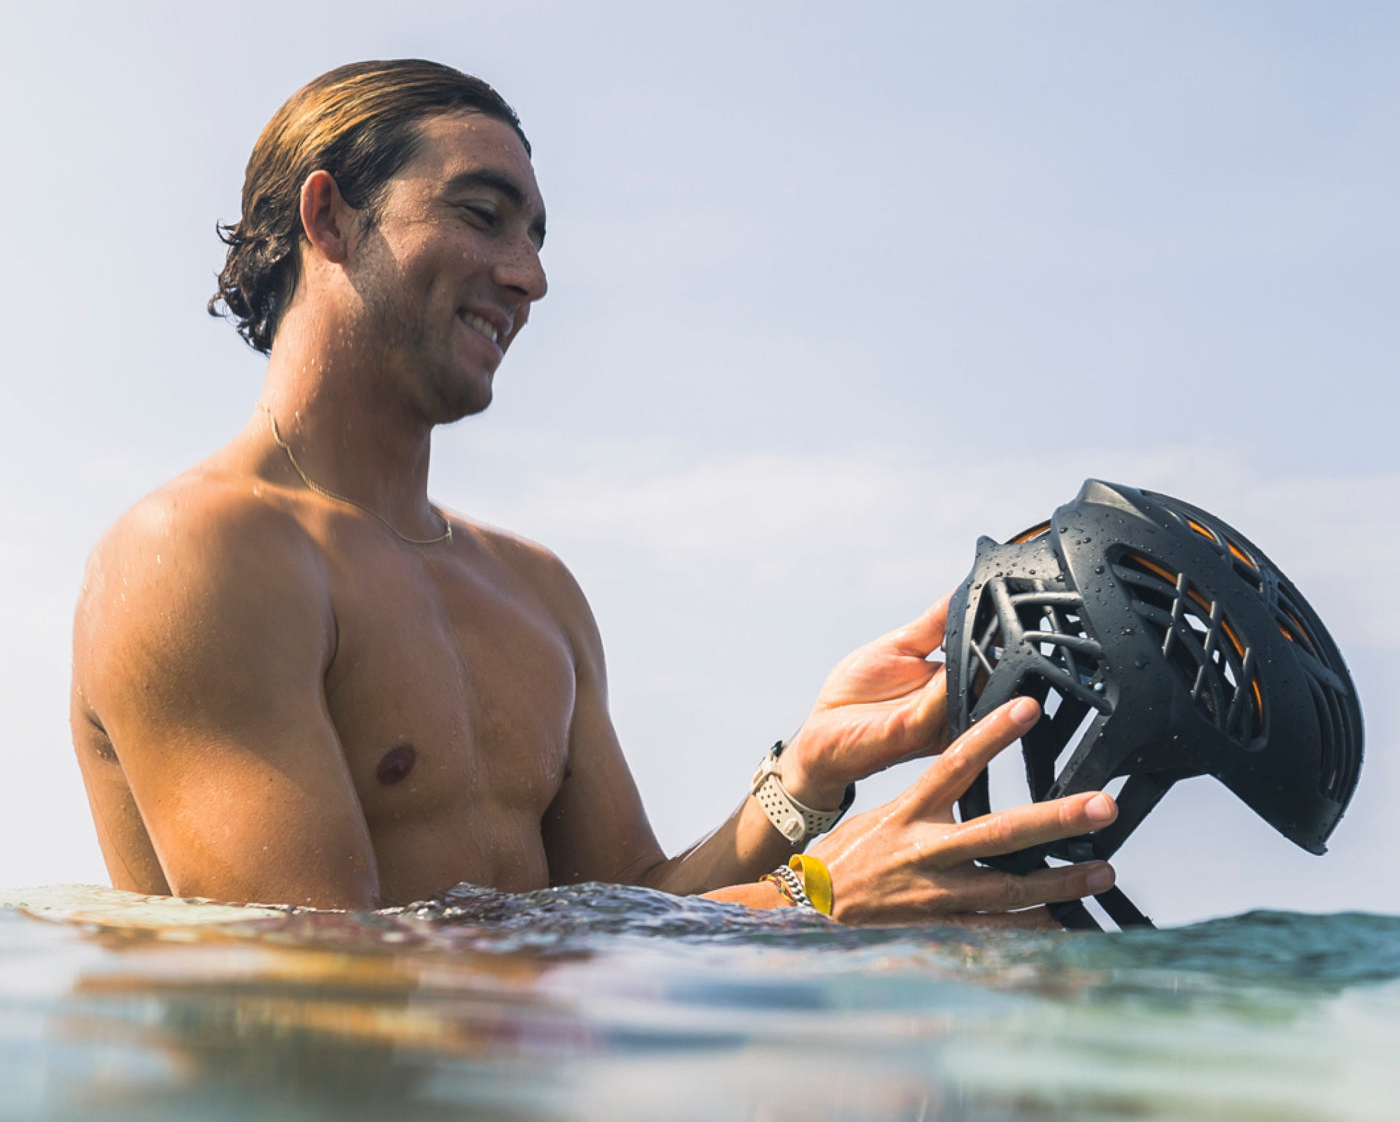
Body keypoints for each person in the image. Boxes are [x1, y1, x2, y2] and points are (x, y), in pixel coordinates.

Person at [70, 59, 1118, 924]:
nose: (527, 274)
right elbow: (314, 984)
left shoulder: (536, 590)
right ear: (329, 218)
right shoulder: (201, 554)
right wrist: (819, 893)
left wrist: (802, 780)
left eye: (534, 239)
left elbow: (640, 912)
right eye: (483, 216)